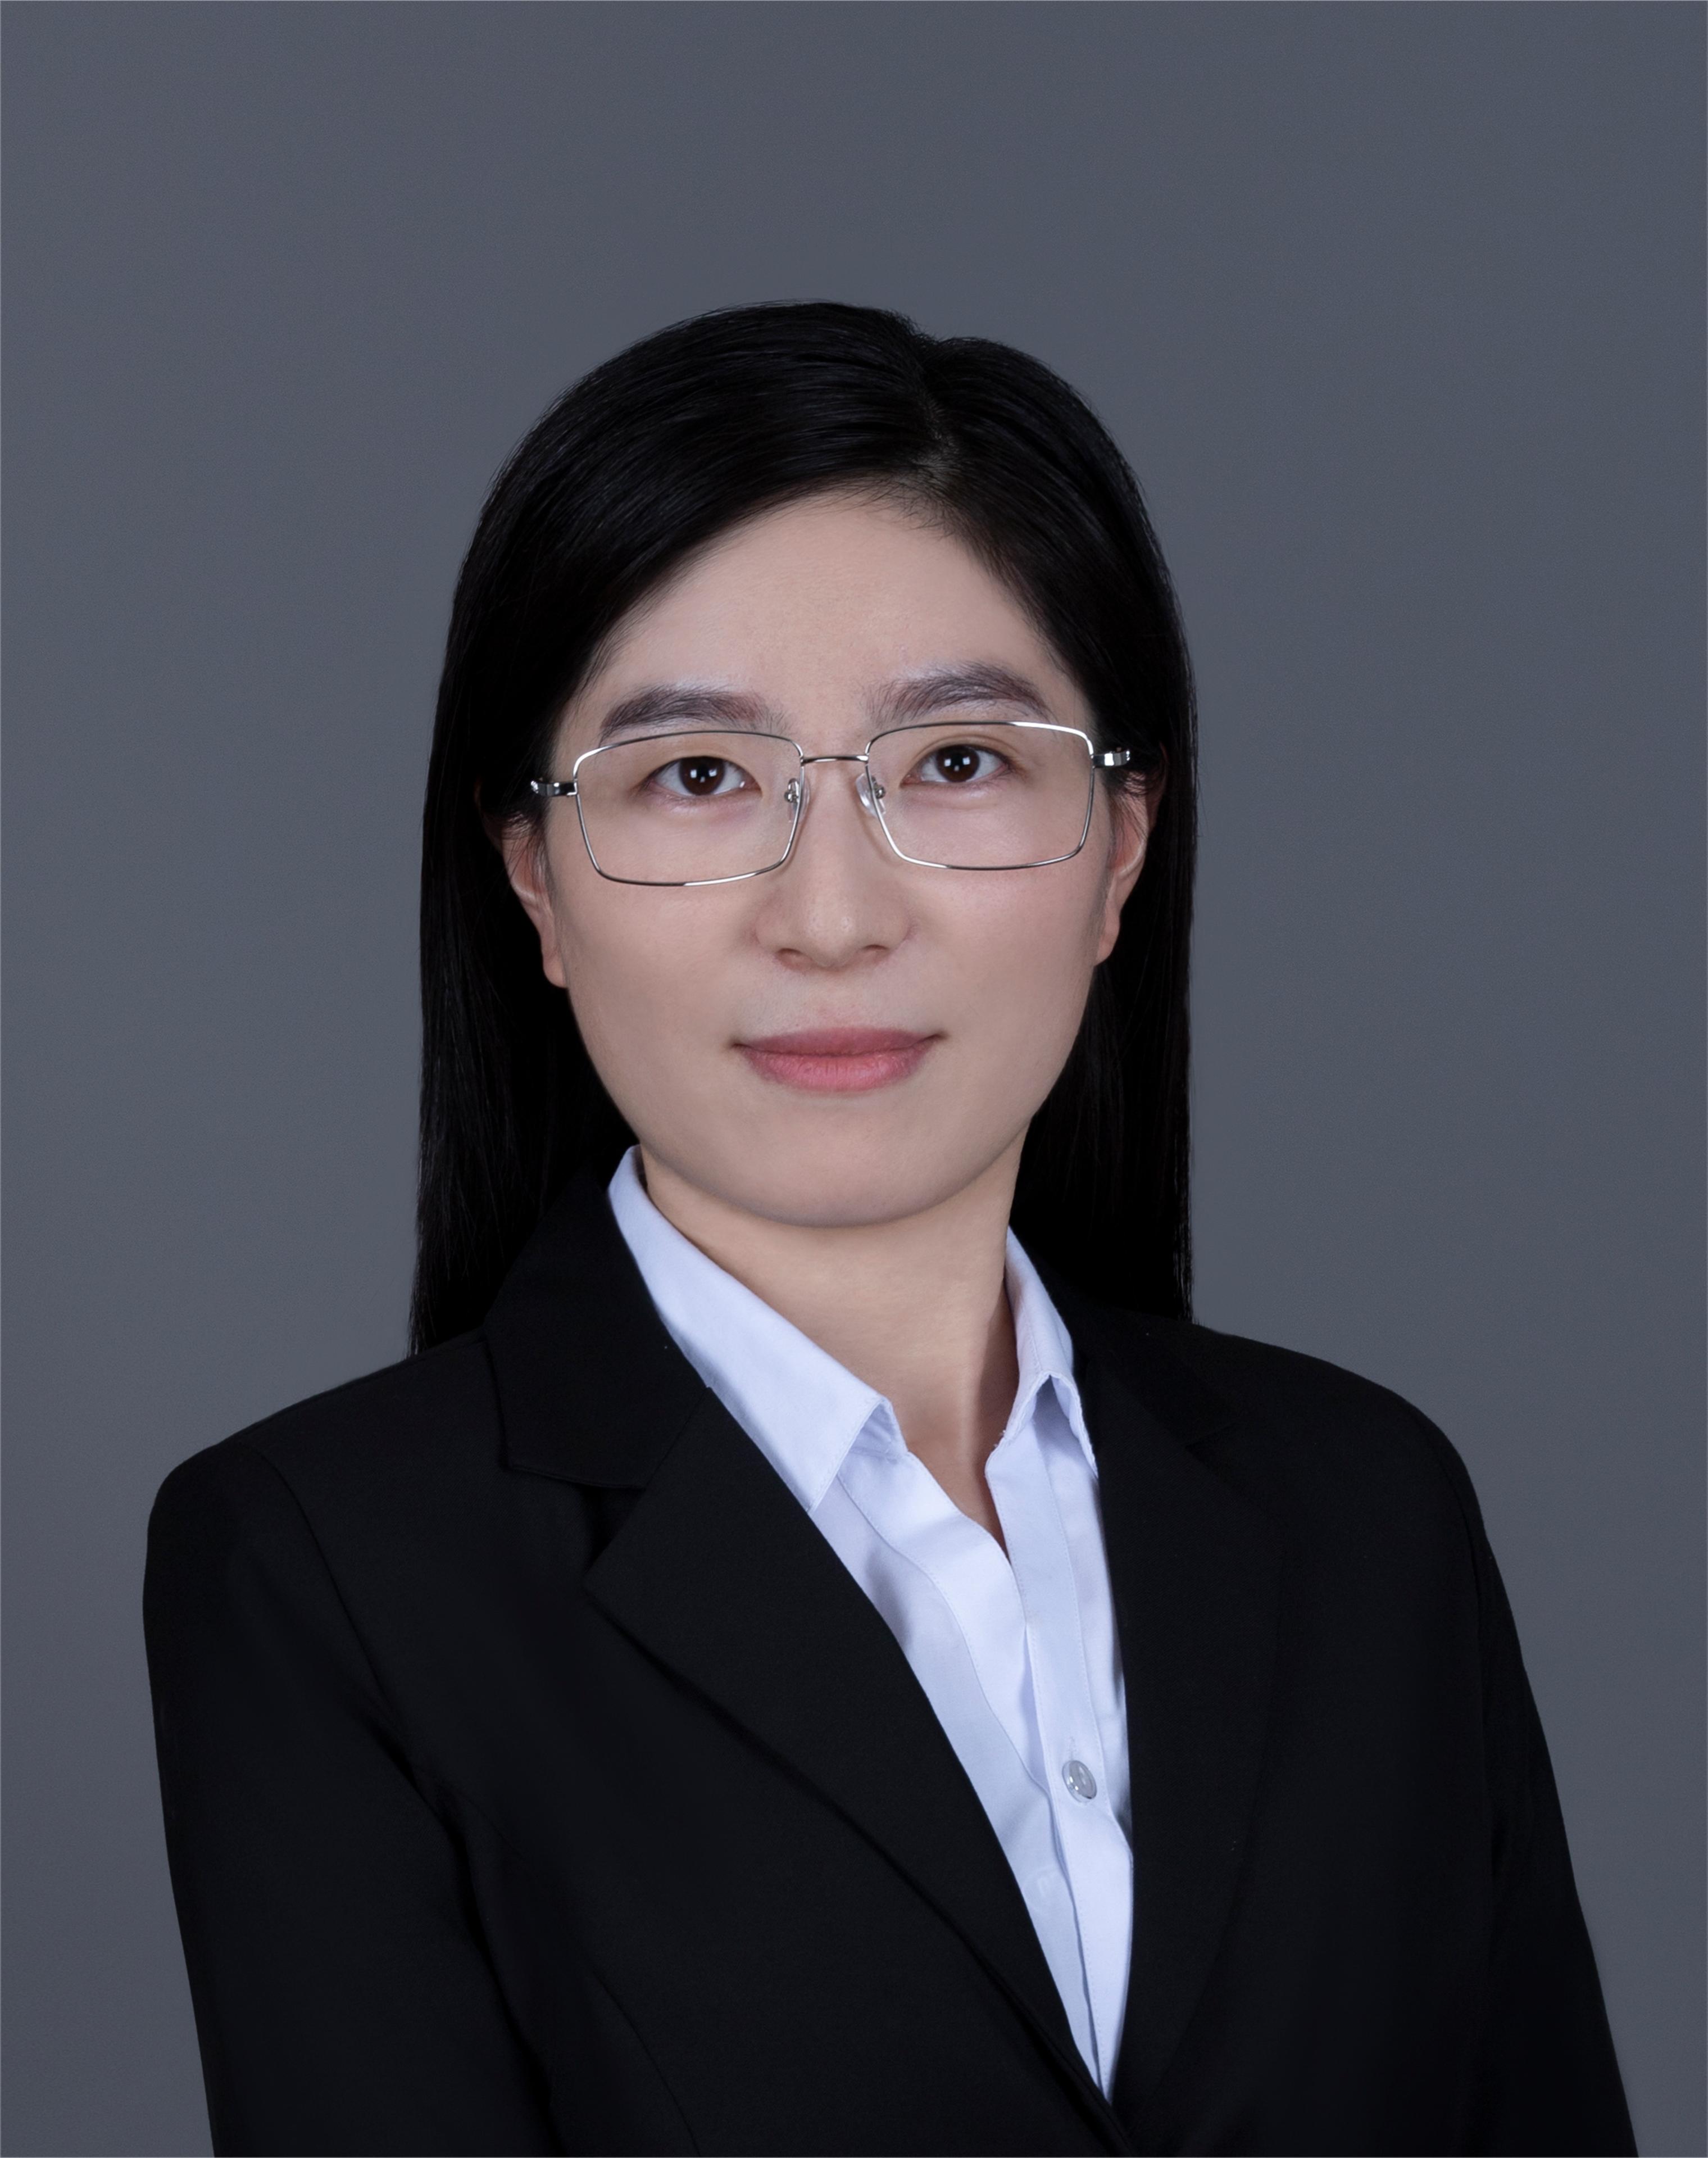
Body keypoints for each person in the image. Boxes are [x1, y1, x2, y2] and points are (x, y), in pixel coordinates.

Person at [143, 302, 1634, 2158]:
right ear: (534, 878)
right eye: (698, 777)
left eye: (957, 764)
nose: (834, 916)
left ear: (1123, 847)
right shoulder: (326, 1571)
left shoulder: (1369, 1512)